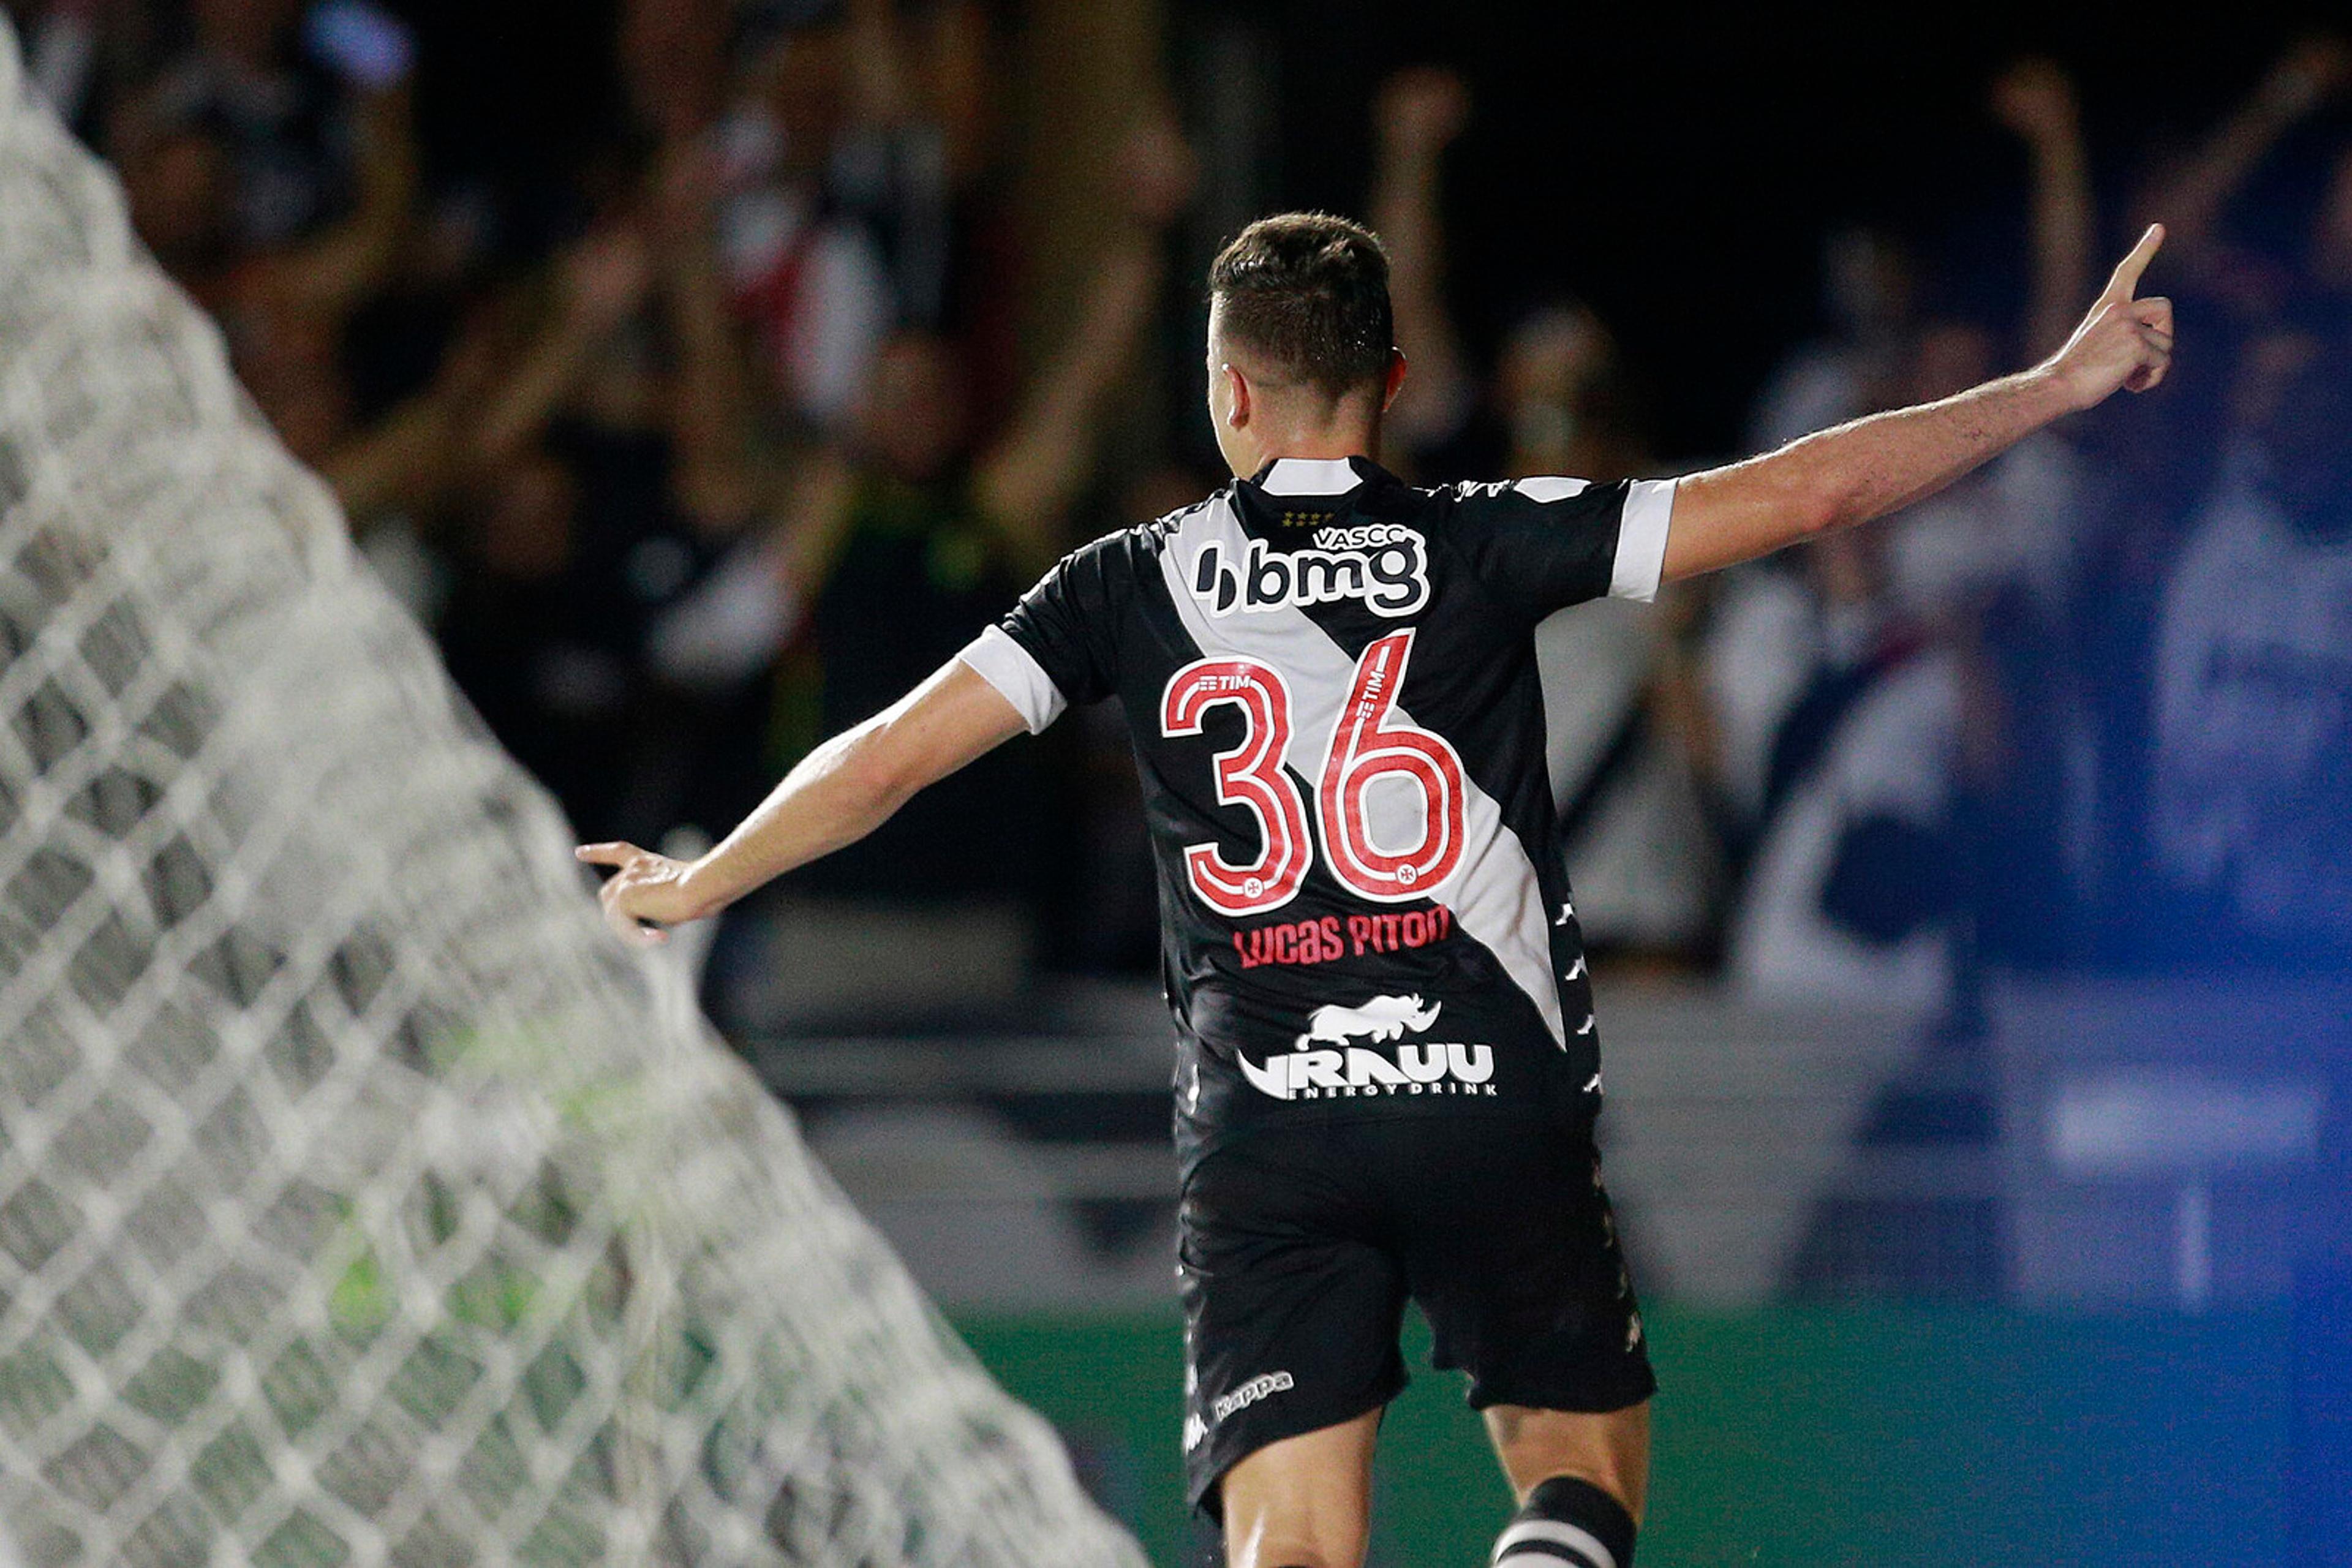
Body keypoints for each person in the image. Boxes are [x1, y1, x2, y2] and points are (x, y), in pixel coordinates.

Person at [578, 211, 2174, 1568]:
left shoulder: (1128, 581)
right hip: (1492, 1094)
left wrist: (700, 877)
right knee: (1578, 1476)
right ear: (1394, 387)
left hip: (1271, 1119)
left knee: (1293, 1545)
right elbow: (1814, 494)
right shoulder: (1486, 538)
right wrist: (2048, 388)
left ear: (1227, 389)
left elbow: (881, 763)